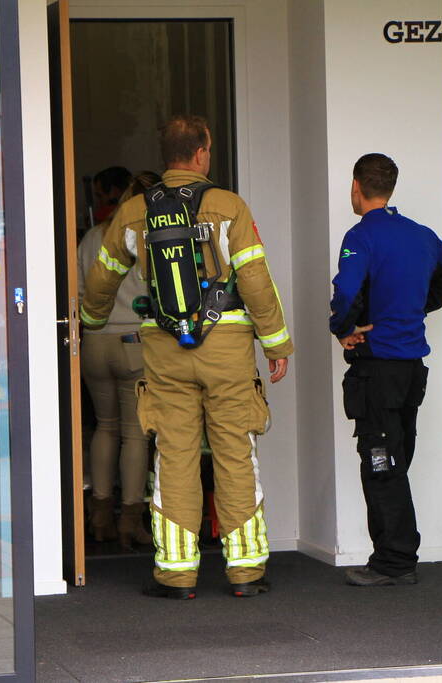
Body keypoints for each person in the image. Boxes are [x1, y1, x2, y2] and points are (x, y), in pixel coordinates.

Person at [80, 115, 293, 599]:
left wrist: (91, 321)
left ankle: (176, 574)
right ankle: (246, 572)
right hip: (228, 349)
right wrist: (276, 342)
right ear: (202, 153)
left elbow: (101, 279)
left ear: (167, 155)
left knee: (173, 455)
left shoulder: (134, 212)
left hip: (163, 350)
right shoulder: (228, 206)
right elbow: (256, 279)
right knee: (235, 453)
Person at [330, 153, 442, 587]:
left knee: (381, 465)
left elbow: (345, 291)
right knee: (396, 461)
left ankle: (394, 562)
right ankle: (393, 556)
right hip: (412, 370)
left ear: (357, 186)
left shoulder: (361, 236)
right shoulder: (421, 235)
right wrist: (419, 305)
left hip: (377, 370)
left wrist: (342, 327)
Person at [78, 171, 161, 547]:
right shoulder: (154, 235)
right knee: (134, 434)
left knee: (104, 426)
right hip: (134, 343)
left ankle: (99, 516)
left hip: (94, 341)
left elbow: (79, 290)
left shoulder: (95, 235)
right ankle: (129, 521)